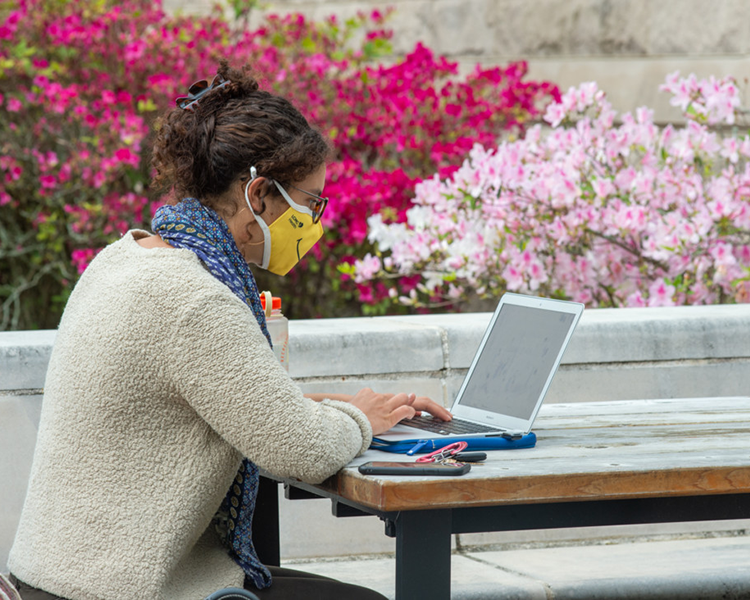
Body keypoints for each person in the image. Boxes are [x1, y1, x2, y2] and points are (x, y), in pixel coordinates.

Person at [6, 61, 451, 600]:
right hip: (120, 589)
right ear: (259, 195)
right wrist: (362, 420)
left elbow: (233, 401)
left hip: (50, 578)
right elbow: (300, 450)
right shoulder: (192, 300)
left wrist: (351, 405)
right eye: (311, 203)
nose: (315, 221)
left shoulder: (124, 257)